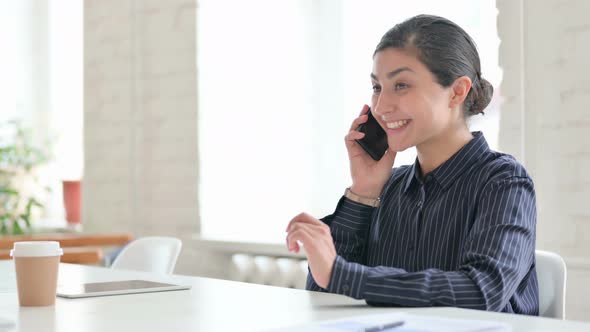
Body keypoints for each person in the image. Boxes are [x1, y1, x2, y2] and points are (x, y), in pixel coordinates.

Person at [285, 14, 538, 315]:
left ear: (457, 91)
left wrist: (344, 274)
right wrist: (363, 192)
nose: (380, 107)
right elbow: (324, 298)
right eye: (378, 87)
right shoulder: (386, 187)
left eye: (401, 85)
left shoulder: (504, 182)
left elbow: (482, 291)